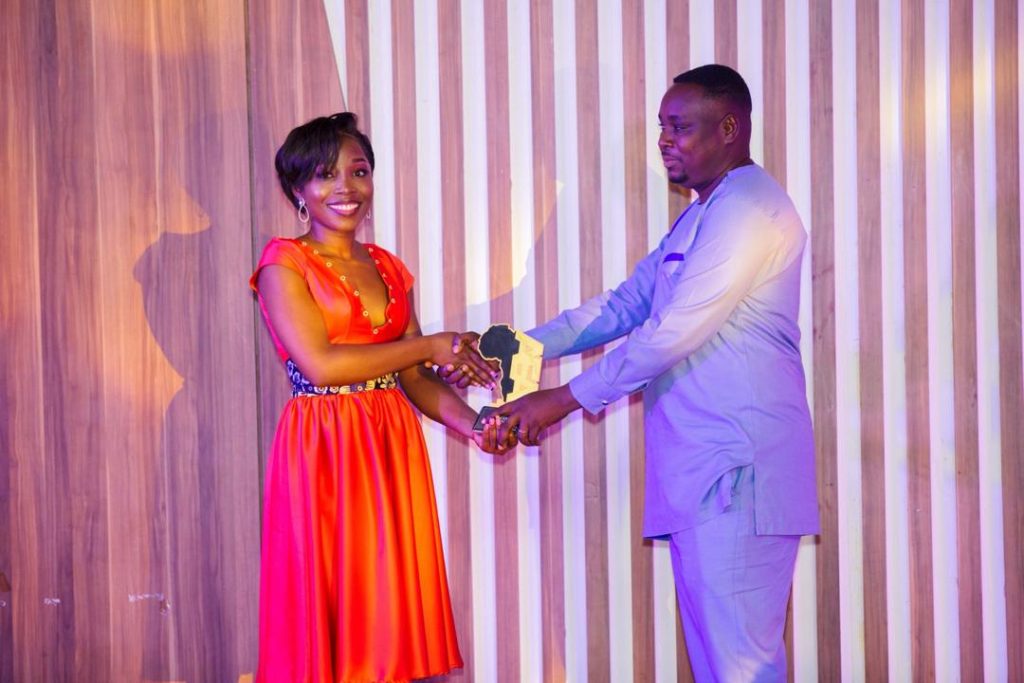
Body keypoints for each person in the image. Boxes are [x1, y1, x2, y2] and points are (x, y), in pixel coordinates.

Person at [486, 65, 820, 681]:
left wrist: (559, 399)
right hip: (703, 475)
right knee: (720, 668)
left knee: (743, 668)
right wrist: (511, 348)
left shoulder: (750, 209)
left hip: (739, 477)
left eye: (680, 127)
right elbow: (623, 307)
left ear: (730, 128)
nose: (665, 141)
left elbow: (673, 332)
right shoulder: (700, 215)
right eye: (662, 127)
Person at [250, 112, 504, 682]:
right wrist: (431, 345)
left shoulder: (388, 266)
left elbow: (415, 376)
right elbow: (321, 365)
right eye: (325, 174)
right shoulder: (283, 262)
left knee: (385, 607)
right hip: (323, 446)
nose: (346, 187)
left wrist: (476, 425)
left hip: (390, 442)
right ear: (297, 189)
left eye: (358, 171)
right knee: (332, 595)